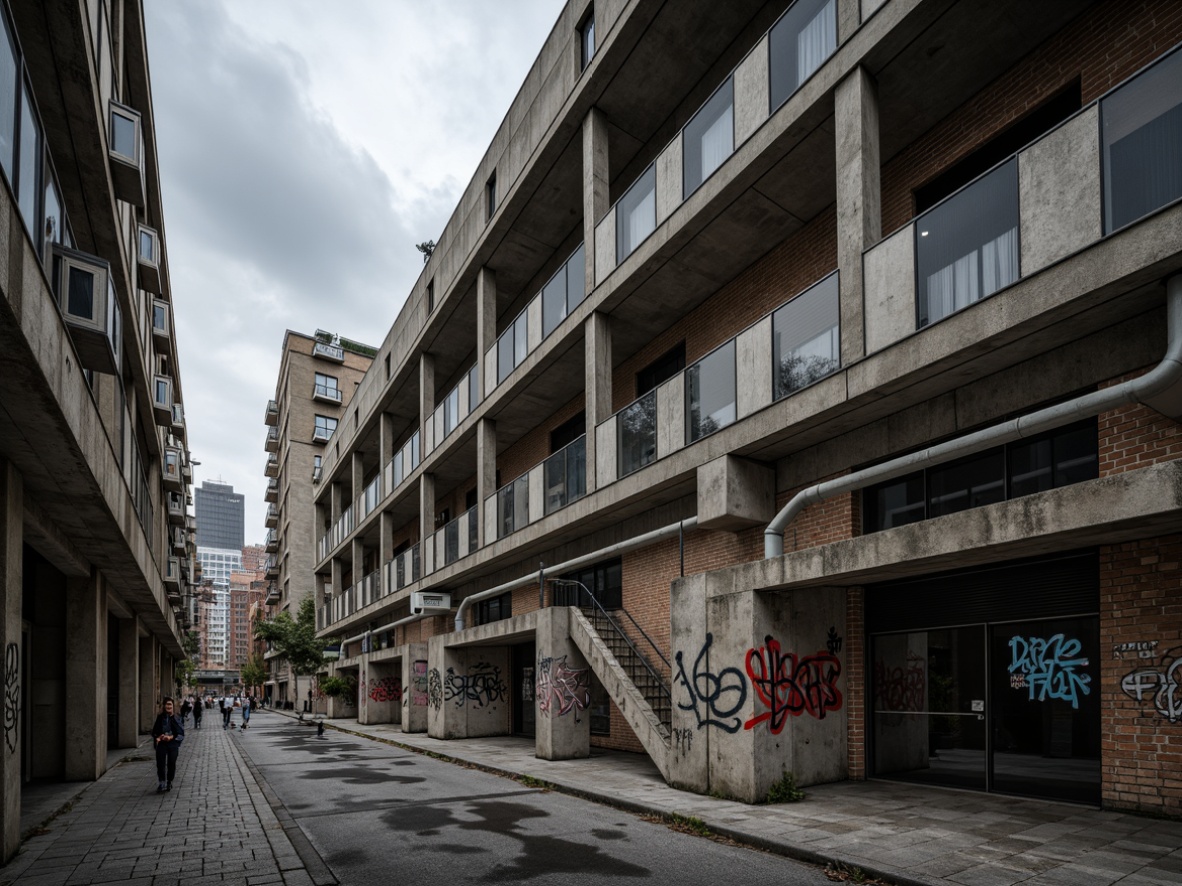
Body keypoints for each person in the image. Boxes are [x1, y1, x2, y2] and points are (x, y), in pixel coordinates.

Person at [151, 697, 184, 793]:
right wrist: (159, 736)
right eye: (167, 704)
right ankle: (162, 782)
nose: (168, 706)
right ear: (164, 706)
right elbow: (154, 732)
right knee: (160, 764)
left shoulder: (177, 717)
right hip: (162, 744)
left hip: (173, 744)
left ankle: (169, 781)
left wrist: (171, 737)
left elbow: (181, 733)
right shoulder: (160, 717)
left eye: (170, 704)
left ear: (173, 706)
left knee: (171, 763)